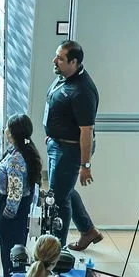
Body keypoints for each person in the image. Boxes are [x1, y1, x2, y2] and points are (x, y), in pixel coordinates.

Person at [43, 40, 103, 250]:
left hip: (69, 151)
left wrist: (85, 165)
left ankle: (55, 251)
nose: (55, 60)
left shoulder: (83, 91)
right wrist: (52, 133)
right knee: (63, 190)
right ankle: (88, 230)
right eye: (56, 55)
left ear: (74, 62)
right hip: (57, 144)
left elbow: (87, 131)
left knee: (59, 200)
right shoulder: (63, 78)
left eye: (60, 58)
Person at [0, 115, 42, 277]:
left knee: (10, 253)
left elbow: (15, 191)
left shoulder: (16, 160)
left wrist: (6, 215)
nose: (5, 129)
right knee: (15, 251)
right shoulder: (22, 151)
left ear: (12, 133)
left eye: (8, 127)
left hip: (12, 210)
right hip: (19, 209)